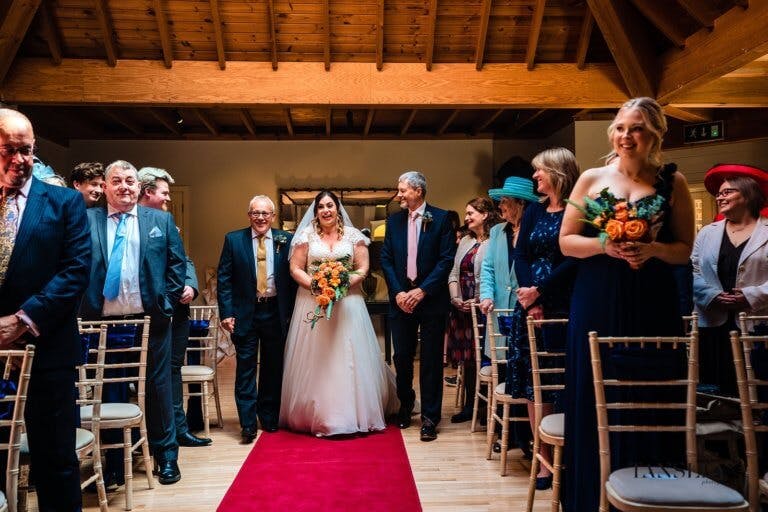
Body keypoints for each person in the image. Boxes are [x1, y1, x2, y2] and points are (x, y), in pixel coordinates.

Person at [559, 97, 695, 511]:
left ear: (654, 133)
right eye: (619, 127)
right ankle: (591, 494)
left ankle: (653, 492)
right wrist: (605, 244)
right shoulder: (591, 179)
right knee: (594, 385)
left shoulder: (674, 183)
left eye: (635, 128)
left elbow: (684, 249)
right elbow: (566, 241)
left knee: (648, 387)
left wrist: (652, 249)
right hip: (598, 293)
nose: (624, 136)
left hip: (651, 296)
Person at [0, 108, 90, 512]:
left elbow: (75, 272)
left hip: (46, 348)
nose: (22, 160)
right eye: (10, 151)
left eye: (28, 150)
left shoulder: (64, 202)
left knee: (54, 458)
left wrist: (21, 321)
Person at [80, 160, 187, 485]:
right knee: (109, 391)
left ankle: (166, 456)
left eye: (130, 180)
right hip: (103, 325)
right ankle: (113, 464)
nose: (124, 186)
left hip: (150, 322)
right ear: (106, 187)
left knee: (158, 389)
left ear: (138, 187)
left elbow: (176, 264)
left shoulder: (160, 220)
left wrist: (165, 304)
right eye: (117, 181)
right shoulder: (88, 220)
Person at [279, 190, 398, 435]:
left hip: (348, 303)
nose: (326, 210)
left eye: (330, 205)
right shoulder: (306, 236)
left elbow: (362, 268)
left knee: (348, 356)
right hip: (313, 302)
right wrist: (317, 285)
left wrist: (341, 284)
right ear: (316, 212)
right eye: (321, 206)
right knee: (318, 358)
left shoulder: (354, 236)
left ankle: (353, 412)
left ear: (337, 208)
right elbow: (295, 268)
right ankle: (317, 413)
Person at [504, 148, 579, 489]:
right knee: (536, 386)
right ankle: (544, 462)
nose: (534, 177)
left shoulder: (579, 209)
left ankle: (573, 457)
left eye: (539, 171)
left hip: (565, 302)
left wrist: (541, 291)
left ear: (557, 172)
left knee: (564, 381)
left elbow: (575, 260)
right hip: (530, 307)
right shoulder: (534, 211)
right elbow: (521, 255)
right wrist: (528, 295)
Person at [137, 166, 210, 447]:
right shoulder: (131, 224)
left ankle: (179, 430)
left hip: (178, 312)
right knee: (153, 374)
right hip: (150, 311)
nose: (167, 199)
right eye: (164, 193)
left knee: (173, 369)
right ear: (148, 193)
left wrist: (190, 284)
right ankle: (155, 436)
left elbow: (185, 261)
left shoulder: (168, 223)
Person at [381, 171, 456, 441]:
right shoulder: (394, 221)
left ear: (418, 191)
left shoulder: (442, 218)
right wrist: (400, 292)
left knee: (431, 360)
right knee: (402, 357)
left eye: (403, 190)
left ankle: (430, 418)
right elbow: (386, 259)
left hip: (431, 300)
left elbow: (446, 260)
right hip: (401, 300)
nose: (399, 195)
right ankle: (405, 405)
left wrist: (422, 291)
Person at [218, 195, 296, 442]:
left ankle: (269, 417)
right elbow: (224, 279)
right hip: (245, 313)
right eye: (255, 213)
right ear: (249, 215)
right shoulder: (233, 240)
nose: (260, 218)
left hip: (275, 312)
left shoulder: (287, 239)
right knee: (245, 370)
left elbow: (293, 280)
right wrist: (227, 313)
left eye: (265, 213)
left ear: (273, 217)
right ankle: (248, 423)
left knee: (273, 368)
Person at [693, 163, 768, 396]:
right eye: (718, 193)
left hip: (757, 324)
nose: (719, 197)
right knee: (716, 388)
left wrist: (750, 296)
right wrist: (711, 295)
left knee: (756, 387)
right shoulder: (707, 233)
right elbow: (691, 270)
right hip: (712, 325)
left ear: (748, 195)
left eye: (727, 192)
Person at [446, 197, 499, 423]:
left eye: (471, 213)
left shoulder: (495, 239)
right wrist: (455, 297)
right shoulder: (465, 241)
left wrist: (477, 300)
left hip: (483, 308)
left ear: (485, 214)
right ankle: (470, 405)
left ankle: (487, 407)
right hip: (461, 308)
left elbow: (492, 274)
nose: (466, 217)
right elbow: (454, 273)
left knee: (484, 355)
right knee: (467, 358)